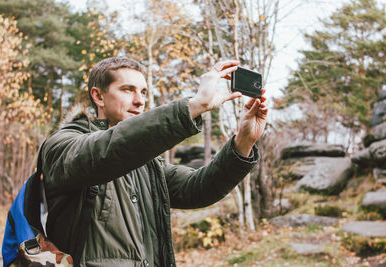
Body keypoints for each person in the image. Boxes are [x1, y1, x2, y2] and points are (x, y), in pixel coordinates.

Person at [41, 56, 268, 267]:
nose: (140, 101)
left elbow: (199, 188)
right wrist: (195, 105)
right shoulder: (62, 146)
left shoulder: (147, 165)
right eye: (128, 90)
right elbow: (107, 150)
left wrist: (244, 141)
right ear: (98, 96)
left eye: (143, 91)